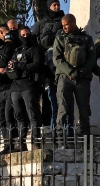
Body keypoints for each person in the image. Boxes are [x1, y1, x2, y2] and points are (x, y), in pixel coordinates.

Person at [53, 13, 97, 137]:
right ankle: (60, 137)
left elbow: (92, 58)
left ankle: (86, 136)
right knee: (63, 108)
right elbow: (57, 59)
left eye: (66, 25)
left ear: (73, 23)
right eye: (63, 25)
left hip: (82, 79)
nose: (64, 28)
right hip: (65, 77)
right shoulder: (59, 38)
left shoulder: (87, 38)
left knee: (84, 109)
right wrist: (71, 72)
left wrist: (81, 71)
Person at [8, 26, 45, 150]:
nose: (25, 37)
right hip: (15, 87)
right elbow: (12, 65)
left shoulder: (36, 49)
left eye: (27, 34)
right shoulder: (17, 50)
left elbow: (36, 65)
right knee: (19, 116)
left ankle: (35, 141)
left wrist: (19, 65)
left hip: (29, 85)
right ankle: (21, 142)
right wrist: (12, 66)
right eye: (22, 35)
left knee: (32, 114)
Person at [34, 0, 65, 128]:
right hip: (45, 62)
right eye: (54, 5)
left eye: (58, 5)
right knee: (47, 96)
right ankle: (47, 123)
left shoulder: (64, 20)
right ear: (49, 6)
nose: (57, 7)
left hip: (60, 60)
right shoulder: (41, 23)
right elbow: (34, 40)